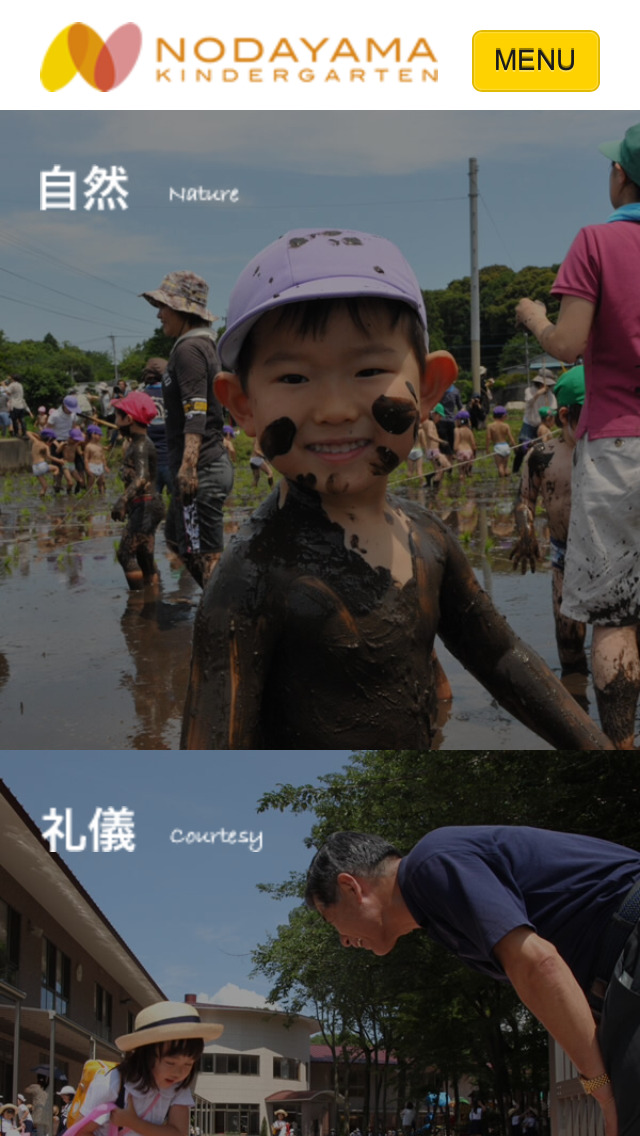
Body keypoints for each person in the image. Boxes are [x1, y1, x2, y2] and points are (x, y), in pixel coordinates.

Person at [181, 227, 612, 750]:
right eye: (293, 378)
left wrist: (597, 750)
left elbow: (501, 659)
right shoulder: (249, 578)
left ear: (429, 387)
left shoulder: (428, 538)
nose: (334, 409)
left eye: (368, 370)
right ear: (242, 405)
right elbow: (212, 750)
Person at [305, 826, 640, 1136]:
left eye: (330, 919)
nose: (344, 941)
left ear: (351, 887)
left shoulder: (429, 865)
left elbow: (539, 965)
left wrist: (601, 1088)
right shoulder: (436, 912)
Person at [516, 122, 640, 750]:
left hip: (620, 444)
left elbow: (567, 344)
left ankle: (621, 750)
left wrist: (537, 316)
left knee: (616, 616)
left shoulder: (597, 241)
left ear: (623, 175)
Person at [140, 272, 233, 587]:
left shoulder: (189, 349)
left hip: (201, 469)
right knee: (179, 541)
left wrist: (189, 466)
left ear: (182, 310)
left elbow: (197, 409)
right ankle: (226, 607)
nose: (159, 314)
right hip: (202, 465)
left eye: (163, 306)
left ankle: (229, 619)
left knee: (204, 556)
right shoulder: (196, 347)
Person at [510, 366, 587, 675]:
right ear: (564, 416)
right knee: (568, 638)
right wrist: (525, 530)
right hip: (566, 558)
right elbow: (524, 500)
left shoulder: (618, 451)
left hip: (618, 556)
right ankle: (578, 704)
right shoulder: (542, 456)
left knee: (625, 638)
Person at [78, 1001, 222, 1136]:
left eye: (188, 1064)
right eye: (170, 1063)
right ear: (144, 1056)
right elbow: (81, 1132)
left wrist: (132, 1122)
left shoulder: (178, 1088)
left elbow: (179, 1133)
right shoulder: (112, 1084)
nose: (179, 1073)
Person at [110, 392, 165, 591]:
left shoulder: (141, 446)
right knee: (144, 554)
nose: (115, 422)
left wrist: (122, 500)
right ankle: (151, 600)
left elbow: (141, 478)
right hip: (148, 505)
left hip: (146, 505)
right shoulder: (137, 444)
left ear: (129, 419)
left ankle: (136, 602)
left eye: (118, 416)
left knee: (125, 553)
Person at [512, 372, 557, 475]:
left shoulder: (551, 396)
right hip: (529, 423)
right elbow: (529, 402)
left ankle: (537, 468)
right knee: (523, 449)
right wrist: (539, 393)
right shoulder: (529, 391)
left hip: (542, 425)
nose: (548, 387)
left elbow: (553, 409)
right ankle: (516, 471)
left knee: (541, 447)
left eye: (549, 386)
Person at [142, 358, 172, 495]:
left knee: (152, 509)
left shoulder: (140, 397)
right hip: (172, 461)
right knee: (180, 509)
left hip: (149, 464)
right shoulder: (173, 394)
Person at [26, 427, 65, 496]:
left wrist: (39, 437)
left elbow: (28, 432)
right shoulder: (45, 446)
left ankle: (41, 498)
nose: (51, 443)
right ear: (49, 439)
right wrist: (60, 461)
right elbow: (49, 457)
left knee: (44, 487)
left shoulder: (35, 441)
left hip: (35, 468)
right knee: (56, 468)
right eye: (51, 441)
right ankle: (56, 483)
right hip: (42, 465)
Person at [486, 407, 514, 478]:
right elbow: (511, 438)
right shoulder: (506, 425)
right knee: (505, 466)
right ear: (503, 416)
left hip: (498, 447)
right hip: (505, 446)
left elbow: (488, 438)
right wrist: (514, 446)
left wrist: (487, 448)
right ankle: (507, 480)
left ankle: (502, 484)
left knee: (500, 466)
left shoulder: (490, 426)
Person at [84, 425, 109, 495]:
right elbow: (86, 458)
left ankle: (102, 496)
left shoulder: (100, 445)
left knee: (101, 483)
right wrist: (87, 468)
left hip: (100, 466)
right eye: (99, 435)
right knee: (90, 484)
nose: (101, 437)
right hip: (91, 466)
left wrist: (105, 466)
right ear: (93, 435)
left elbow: (103, 457)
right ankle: (89, 497)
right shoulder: (88, 446)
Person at [453, 409, 475, 478]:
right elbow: (474, 445)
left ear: (459, 421)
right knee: (468, 473)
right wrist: (474, 454)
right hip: (469, 452)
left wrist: (454, 453)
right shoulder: (469, 431)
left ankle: (462, 486)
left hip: (461, 452)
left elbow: (456, 445)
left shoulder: (457, 430)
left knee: (461, 473)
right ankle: (469, 488)